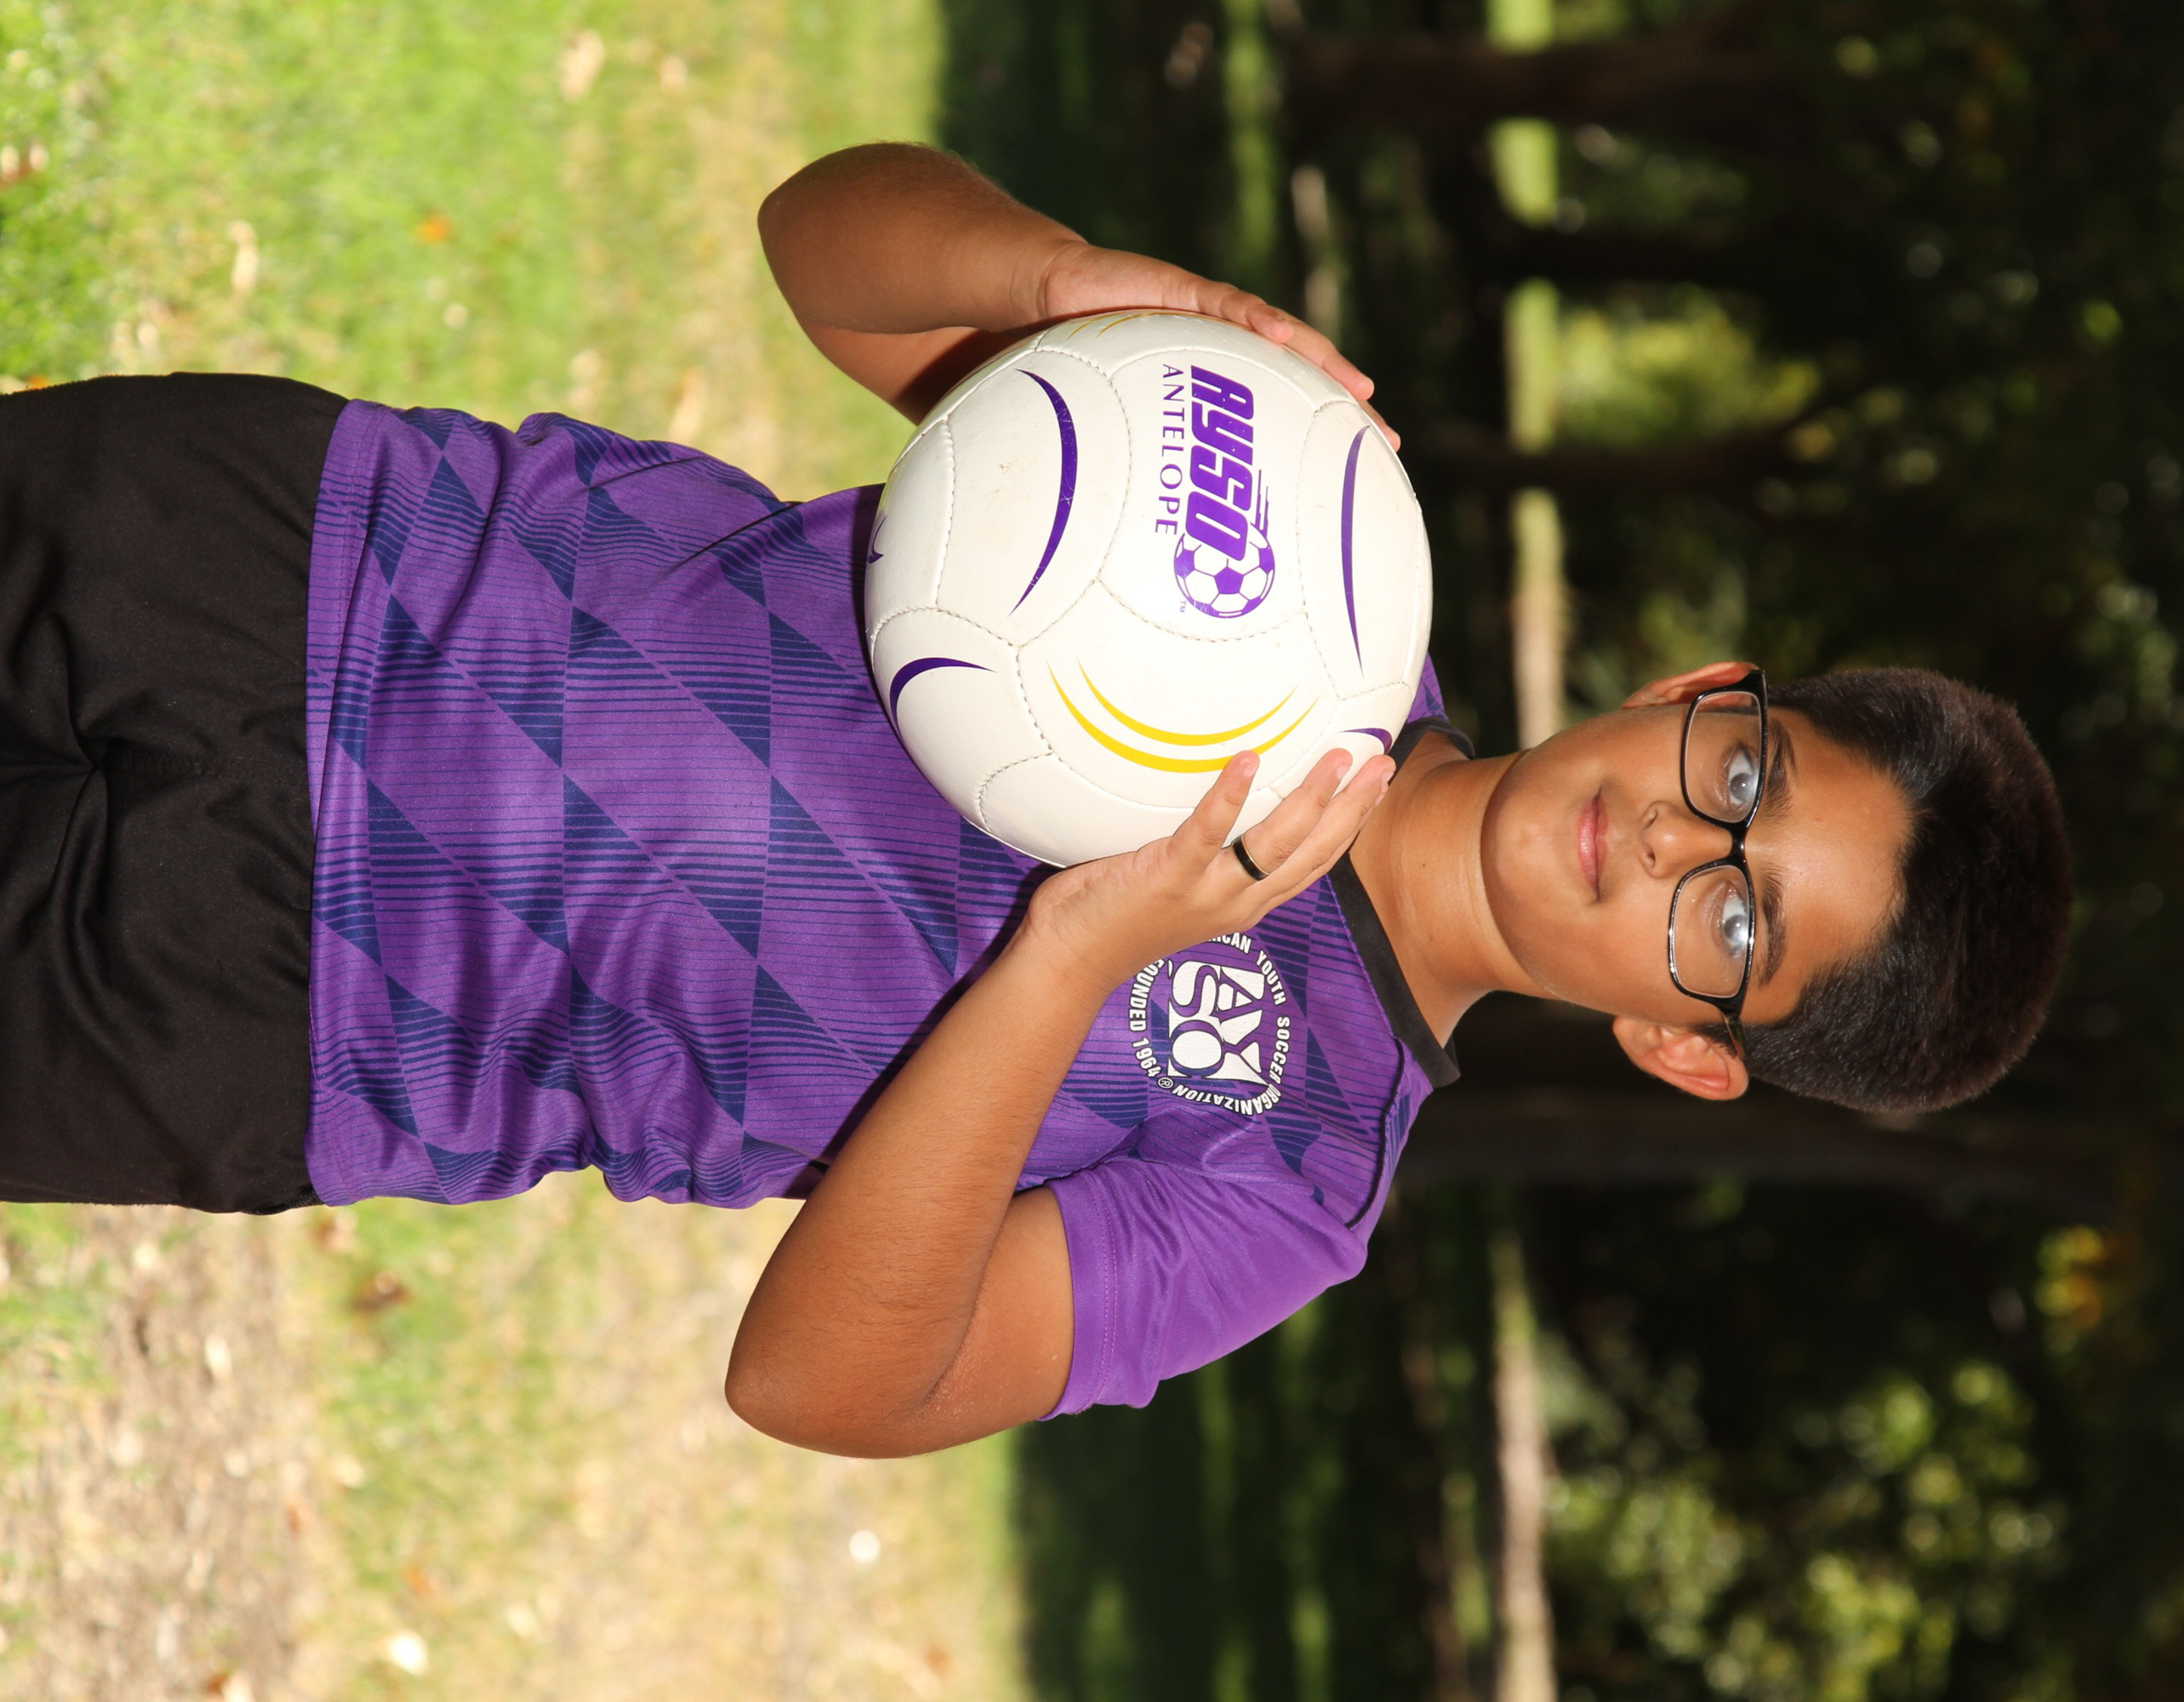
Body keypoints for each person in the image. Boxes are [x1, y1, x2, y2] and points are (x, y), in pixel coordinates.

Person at [0, 144, 2069, 1458]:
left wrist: (1074, 956)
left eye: (1734, 923)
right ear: (1699, 693)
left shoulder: (1287, 1179)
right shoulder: (1317, 548)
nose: (1679, 844)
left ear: (1685, 1046)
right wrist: (1057, 285)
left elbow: (821, 1383)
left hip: (287, 1014)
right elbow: (823, 245)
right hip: (299, 551)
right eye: (1740, 779)